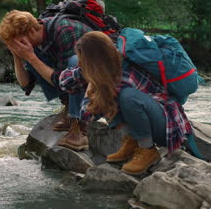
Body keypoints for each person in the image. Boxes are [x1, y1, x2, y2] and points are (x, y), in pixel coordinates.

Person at [59, 31, 195, 175]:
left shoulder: (123, 73)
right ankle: (131, 141)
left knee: (125, 97)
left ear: (94, 59)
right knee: (107, 94)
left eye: (83, 60)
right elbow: (63, 81)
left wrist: (92, 84)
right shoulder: (105, 67)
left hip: (166, 126)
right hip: (150, 119)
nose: (80, 63)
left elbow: (86, 114)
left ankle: (147, 149)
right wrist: (85, 74)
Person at [0, 10, 94, 150]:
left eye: (17, 42)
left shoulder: (65, 30)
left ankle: (79, 127)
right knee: (35, 57)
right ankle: (69, 109)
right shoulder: (33, 44)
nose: (17, 46)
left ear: (31, 31)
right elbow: (26, 84)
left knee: (74, 61)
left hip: (100, 81)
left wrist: (30, 57)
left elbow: (69, 79)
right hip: (73, 81)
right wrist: (17, 56)